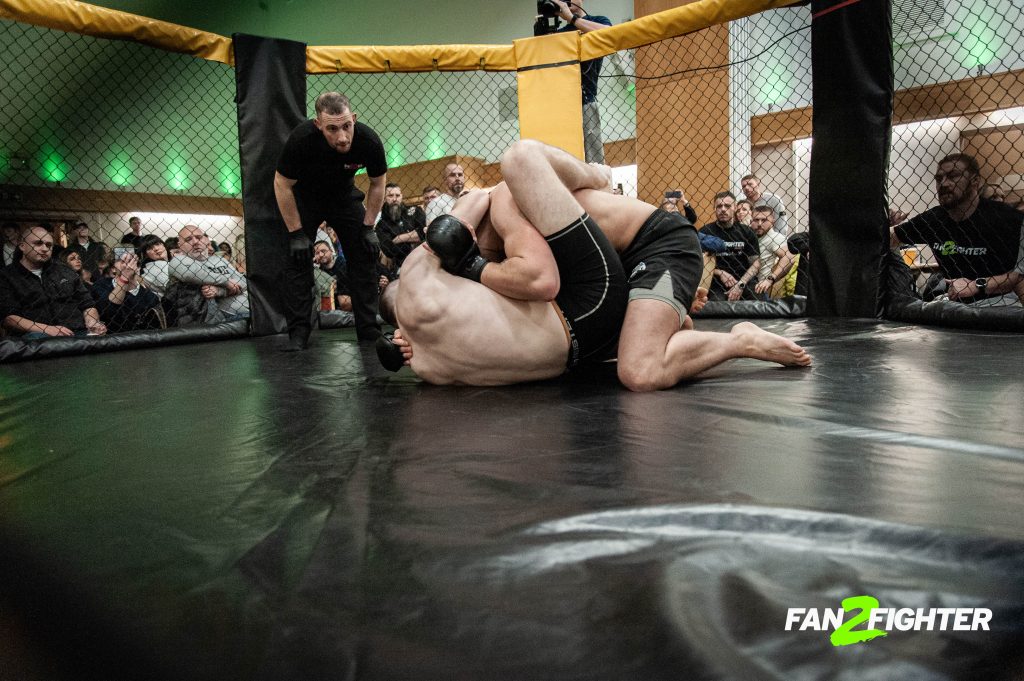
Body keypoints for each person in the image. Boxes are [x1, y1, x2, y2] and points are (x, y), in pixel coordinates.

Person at [383, 140, 811, 391]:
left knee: (639, 371)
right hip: (607, 275)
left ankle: (741, 340)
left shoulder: (504, 205)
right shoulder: (481, 243)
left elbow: (537, 279)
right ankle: (666, 318)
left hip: (659, 244)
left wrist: (474, 264)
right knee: (640, 350)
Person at [274, 91, 387, 350]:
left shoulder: (368, 140)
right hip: (305, 198)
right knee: (297, 259)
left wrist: (368, 227)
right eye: (332, 129)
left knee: (364, 251)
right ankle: (299, 334)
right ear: (318, 125)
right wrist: (296, 233)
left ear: (354, 119)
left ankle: (368, 330)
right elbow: (281, 183)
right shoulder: (301, 140)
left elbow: (378, 183)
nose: (342, 136)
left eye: (347, 126)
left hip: (343, 197)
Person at [890, 153, 1023, 305]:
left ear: (975, 181)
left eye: (953, 176)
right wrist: (886, 226)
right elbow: (889, 237)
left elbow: (1020, 275)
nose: (944, 183)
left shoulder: (1006, 218)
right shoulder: (934, 218)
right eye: (939, 179)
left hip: (1001, 299)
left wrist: (976, 285)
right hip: (956, 302)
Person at [0, 224, 107, 338]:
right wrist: (46, 329)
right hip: (36, 335)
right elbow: (9, 318)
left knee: (98, 337)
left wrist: (92, 322)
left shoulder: (64, 271)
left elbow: (87, 304)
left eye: (49, 245)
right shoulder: (7, 276)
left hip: (76, 331)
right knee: (37, 338)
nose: (45, 248)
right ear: (22, 246)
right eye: (38, 243)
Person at [554, 0, 613, 163]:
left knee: (594, 160)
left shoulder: (599, 21)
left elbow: (609, 33)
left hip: (587, 100)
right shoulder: (559, 34)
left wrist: (572, 19)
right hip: (562, 105)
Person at [167, 225, 249, 322]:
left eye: (198, 237)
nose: (195, 242)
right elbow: (191, 274)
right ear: (180, 245)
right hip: (222, 319)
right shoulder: (178, 261)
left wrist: (221, 291)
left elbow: (244, 282)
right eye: (188, 239)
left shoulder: (219, 260)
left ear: (206, 240)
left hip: (249, 309)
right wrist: (227, 282)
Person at [700, 191, 760, 301]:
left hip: (744, 280)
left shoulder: (747, 232)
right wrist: (719, 272)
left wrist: (741, 284)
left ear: (735, 207)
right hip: (716, 282)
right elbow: (698, 263)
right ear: (714, 209)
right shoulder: (705, 232)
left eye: (727, 206)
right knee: (717, 307)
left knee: (761, 304)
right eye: (719, 206)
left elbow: (756, 263)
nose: (723, 209)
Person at [92, 253, 163, 332]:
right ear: (113, 269)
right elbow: (109, 311)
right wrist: (125, 277)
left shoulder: (150, 297)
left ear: (137, 267)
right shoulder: (101, 285)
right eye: (122, 261)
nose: (128, 264)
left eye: (131, 260)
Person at [375, 182, 425, 269]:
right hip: (400, 267)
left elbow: (424, 232)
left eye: (397, 195)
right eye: (390, 196)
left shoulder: (416, 210)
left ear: (401, 197)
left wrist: (398, 238)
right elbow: (389, 250)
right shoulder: (381, 225)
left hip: (423, 260)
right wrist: (413, 236)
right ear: (384, 198)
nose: (394, 199)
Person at [750, 206, 795, 299]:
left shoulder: (775, 237)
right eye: (756, 220)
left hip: (759, 289)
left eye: (764, 220)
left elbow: (790, 256)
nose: (759, 223)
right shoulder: (750, 236)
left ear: (772, 221)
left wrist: (770, 279)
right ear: (751, 221)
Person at [312, 239, 352, 312]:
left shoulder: (342, 263)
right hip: (329, 310)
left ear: (331, 251)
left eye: (323, 251)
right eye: (317, 253)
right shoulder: (318, 272)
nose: (320, 255)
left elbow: (345, 302)